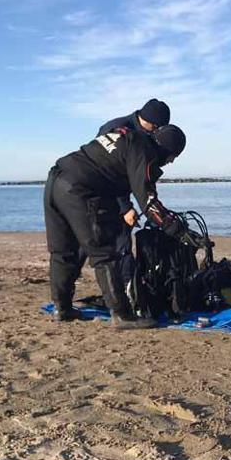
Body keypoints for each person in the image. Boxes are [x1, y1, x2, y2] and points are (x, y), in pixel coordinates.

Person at [44, 124, 188, 328]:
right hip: (80, 189)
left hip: (55, 180)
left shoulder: (127, 136)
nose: (171, 161)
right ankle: (122, 315)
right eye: (173, 156)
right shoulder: (143, 151)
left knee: (62, 250)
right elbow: (147, 200)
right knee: (103, 252)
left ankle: (62, 308)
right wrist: (175, 229)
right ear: (166, 150)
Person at [96, 99, 171, 286]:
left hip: (116, 192)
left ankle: (124, 287)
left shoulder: (146, 135)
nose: (157, 133)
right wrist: (125, 207)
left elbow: (143, 179)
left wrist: (153, 211)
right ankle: (126, 291)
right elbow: (111, 173)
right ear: (151, 123)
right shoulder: (117, 129)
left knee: (111, 243)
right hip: (100, 193)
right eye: (156, 128)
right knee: (118, 243)